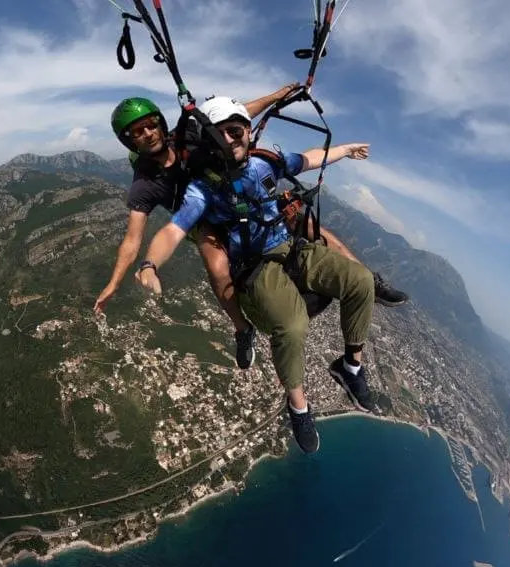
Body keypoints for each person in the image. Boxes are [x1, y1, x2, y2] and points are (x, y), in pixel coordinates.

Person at [134, 96, 383, 454]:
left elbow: (310, 159)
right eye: (221, 135)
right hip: (256, 263)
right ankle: (298, 406)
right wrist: (149, 264)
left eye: (237, 131)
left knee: (360, 279)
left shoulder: (266, 163)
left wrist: (344, 149)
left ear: (248, 133)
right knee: (292, 325)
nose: (231, 140)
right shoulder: (202, 189)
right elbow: (174, 230)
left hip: (289, 247)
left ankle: (350, 366)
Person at [94, 85, 301, 369]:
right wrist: (113, 284)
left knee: (308, 226)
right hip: (199, 217)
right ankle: (243, 329)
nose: (148, 134)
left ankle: (364, 281)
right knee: (217, 267)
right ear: (129, 142)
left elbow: (239, 113)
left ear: (159, 124)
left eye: (150, 126)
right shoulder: (145, 183)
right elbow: (132, 240)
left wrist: (278, 96)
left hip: (229, 193)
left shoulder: (185, 135)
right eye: (137, 133)